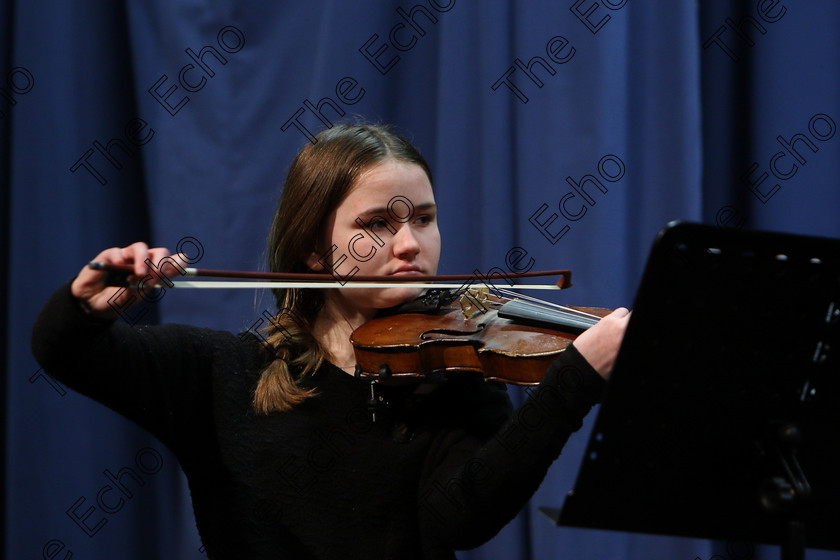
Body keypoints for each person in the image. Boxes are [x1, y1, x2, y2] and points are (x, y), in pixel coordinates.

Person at [31, 124, 630, 559]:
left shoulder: (454, 371)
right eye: (376, 224)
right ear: (314, 250)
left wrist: (572, 384)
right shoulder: (222, 373)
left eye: (422, 218)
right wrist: (84, 307)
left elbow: (457, 524)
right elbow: (67, 351)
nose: (409, 245)